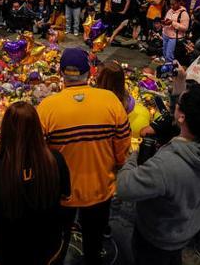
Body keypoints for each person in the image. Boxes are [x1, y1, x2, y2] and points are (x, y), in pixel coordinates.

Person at [36, 48, 131, 265]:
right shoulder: (110, 101)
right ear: (89, 73)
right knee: (94, 242)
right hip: (101, 189)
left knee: (58, 243)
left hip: (62, 193)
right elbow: (123, 146)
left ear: (61, 73)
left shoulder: (47, 108)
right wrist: (115, 165)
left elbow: (40, 155)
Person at [116, 84, 200, 265]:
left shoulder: (166, 165)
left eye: (177, 104)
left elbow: (124, 187)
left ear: (182, 116)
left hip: (157, 236)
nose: (173, 105)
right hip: (186, 226)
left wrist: (136, 155)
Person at [0, 102, 71, 265]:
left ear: (5, 131)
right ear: (37, 128)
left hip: (7, 250)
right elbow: (66, 197)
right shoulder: (56, 160)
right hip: (48, 245)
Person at [162, 0, 189, 64]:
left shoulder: (184, 14)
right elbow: (167, 19)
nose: (171, 6)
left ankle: (170, 71)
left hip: (174, 38)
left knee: (169, 56)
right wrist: (165, 22)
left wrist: (172, 23)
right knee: (165, 53)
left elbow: (185, 28)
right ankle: (166, 67)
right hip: (166, 34)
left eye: (173, 4)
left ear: (179, 3)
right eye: (170, 4)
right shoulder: (170, 10)